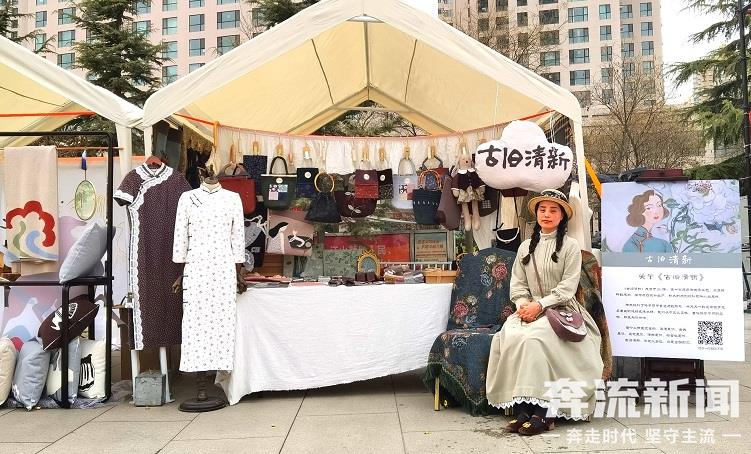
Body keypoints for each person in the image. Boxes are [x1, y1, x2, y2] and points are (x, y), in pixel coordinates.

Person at [485, 189, 603, 436]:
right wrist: (523, 306)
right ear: (536, 214)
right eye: (542, 209)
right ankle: (523, 408)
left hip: (560, 309)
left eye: (553, 210)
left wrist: (540, 306)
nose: (546, 214)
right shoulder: (525, 247)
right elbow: (518, 285)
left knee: (535, 340)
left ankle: (545, 411)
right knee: (510, 336)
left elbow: (567, 288)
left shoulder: (570, 247)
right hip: (528, 309)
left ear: (562, 216)